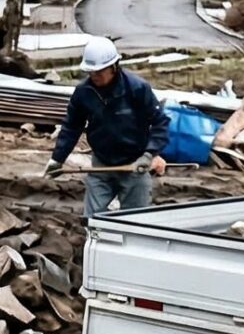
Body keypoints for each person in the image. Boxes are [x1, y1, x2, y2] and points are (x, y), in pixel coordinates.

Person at [45, 37, 169, 217]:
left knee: (136, 221)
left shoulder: (136, 88)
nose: (94, 76)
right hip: (101, 165)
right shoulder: (84, 93)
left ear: (113, 67)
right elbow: (72, 126)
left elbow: (160, 123)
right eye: (91, 72)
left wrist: (149, 155)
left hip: (135, 164)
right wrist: (57, 159)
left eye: (99, 71)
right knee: (92, 220)